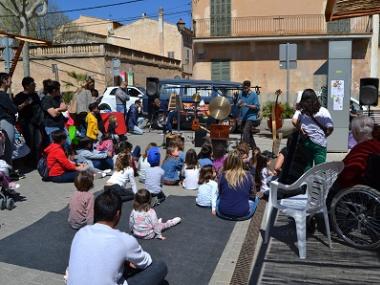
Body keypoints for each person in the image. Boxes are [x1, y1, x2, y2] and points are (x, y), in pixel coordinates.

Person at [67, 190, 168, 285]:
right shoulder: (124, 240)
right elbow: (146, 262)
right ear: (117, 214)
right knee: (159, 267)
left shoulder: (80, 234)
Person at [334, 116, 380, 190]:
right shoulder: (376, 144)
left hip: (355, 189)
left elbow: (349, 173)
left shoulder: (363, 148)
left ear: (356, 132)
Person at [293, 89, 334, 170]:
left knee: (307, 166)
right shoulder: (323, 111)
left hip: (307, 142)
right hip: (320, 143)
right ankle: (319, 182)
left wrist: (301, 130)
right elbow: (330, 127)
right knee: (320, 168)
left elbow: (295, 122)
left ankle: (307, 182)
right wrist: (325, 135)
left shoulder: (302, 112)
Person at [217, 150, 259, 220]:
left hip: (222, 212)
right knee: (256, 198)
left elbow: (220, 192)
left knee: (218, 197)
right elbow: (253, 194)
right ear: (240, 162)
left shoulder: (222, 175)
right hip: (243, 214)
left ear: (227, 161)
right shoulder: (248, 175)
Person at [13, 76, 45, 166]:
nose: (35, 85)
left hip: (37, 123)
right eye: (32, 84)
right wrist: (25, 104)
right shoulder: (19, 96)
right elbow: (15, 109)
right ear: (26, 86)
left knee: (38, 143)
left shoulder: (35, 95)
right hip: (27, 123)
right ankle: (27, 161)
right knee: (28, 142)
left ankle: (36, 161)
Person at [0, 73, 17, 166]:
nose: (11, 81)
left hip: (4, 121)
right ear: (4, 81)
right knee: (8, 147)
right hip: (5, 122)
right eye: (9, 79)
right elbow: (13, 109)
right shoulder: (2, 95)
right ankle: (8, 170)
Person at [238, 80, 260, 149]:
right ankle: (254, 147)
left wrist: (246, 105)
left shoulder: (254, 95)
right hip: (243, 117)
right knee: (249, 133)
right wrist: (238, 103)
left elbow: (256, 106)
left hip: (251, 117)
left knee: (245, 131)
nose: (245, 89)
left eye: (246, 88)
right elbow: (238, 106)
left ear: (249, 87)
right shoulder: (241, 94)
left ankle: (245, 148)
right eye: (243, 88)